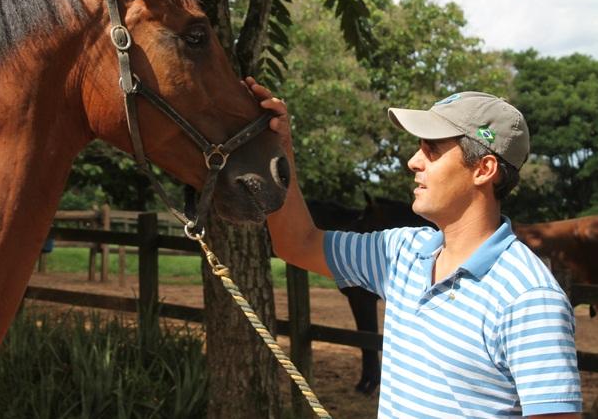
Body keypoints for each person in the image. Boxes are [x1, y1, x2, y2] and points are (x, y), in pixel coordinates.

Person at [245, 77, 582, 418]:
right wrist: (278, 147)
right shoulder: (399, 252)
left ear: (484, 169)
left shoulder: (529, 297)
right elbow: (297, 243)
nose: (413, 161)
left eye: (431, 149)